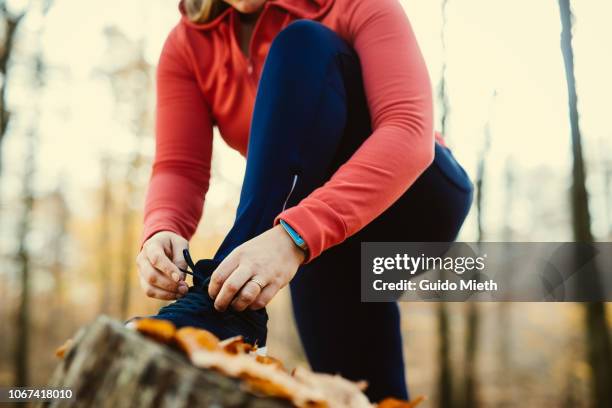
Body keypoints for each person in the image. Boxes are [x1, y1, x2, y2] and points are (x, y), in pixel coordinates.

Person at [135, 0, 473, 401]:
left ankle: (225, 309)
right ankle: (231, 309)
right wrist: (162, 228)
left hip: (412, 205)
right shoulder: (187, 45)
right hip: (317, 234)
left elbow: (409, 133)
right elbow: (180, 166)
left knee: (303, 42)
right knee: (360, 393)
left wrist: (292, 236)